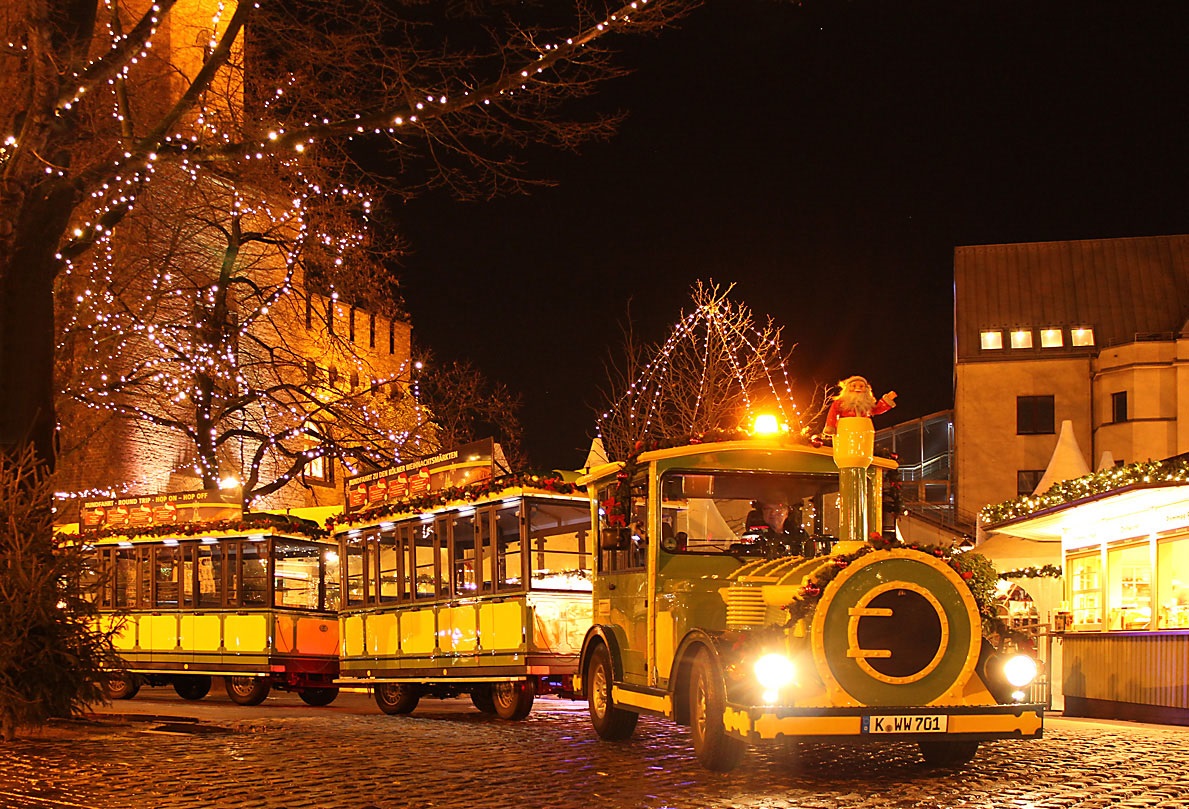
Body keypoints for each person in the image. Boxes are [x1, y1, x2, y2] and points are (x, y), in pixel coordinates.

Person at [824, 375, 897, 437]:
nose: (857, 388)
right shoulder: (840, 402)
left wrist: (886, 400)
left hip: (864, 430)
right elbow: (833, 413)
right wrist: (830, 426)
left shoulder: (867, 404)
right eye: (854, 386)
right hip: (845, 429)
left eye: (861, 386)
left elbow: (877, 409)